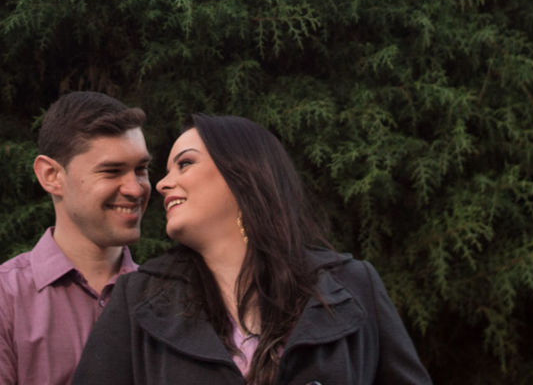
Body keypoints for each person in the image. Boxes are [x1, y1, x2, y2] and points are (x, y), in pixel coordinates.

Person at [71, 114, 433, 385]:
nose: (163, 184)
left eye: (185, 163)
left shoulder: (353, 286)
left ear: (243, 174)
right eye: (166, 171)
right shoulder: (137, 299)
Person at [0, 91, 153, 385]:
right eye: (112, 171)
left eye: (141, 169)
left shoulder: (167, 300)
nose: (136, 188)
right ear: (51, 175)